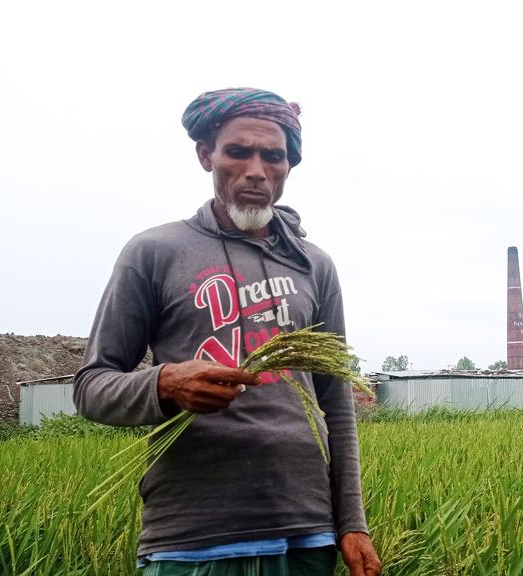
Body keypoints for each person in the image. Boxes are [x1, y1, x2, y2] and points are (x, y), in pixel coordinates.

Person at [74, 88, 380, 576]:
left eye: (273, 156)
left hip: (307, 528)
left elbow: (335, 401)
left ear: (288, 165)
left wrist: (352, 522)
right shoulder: (154, 251)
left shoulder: (313, 264)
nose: (256, 170)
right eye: (238, 152)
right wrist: (164, 382)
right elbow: (91, 386)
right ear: (205, 156)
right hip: (193, 535)